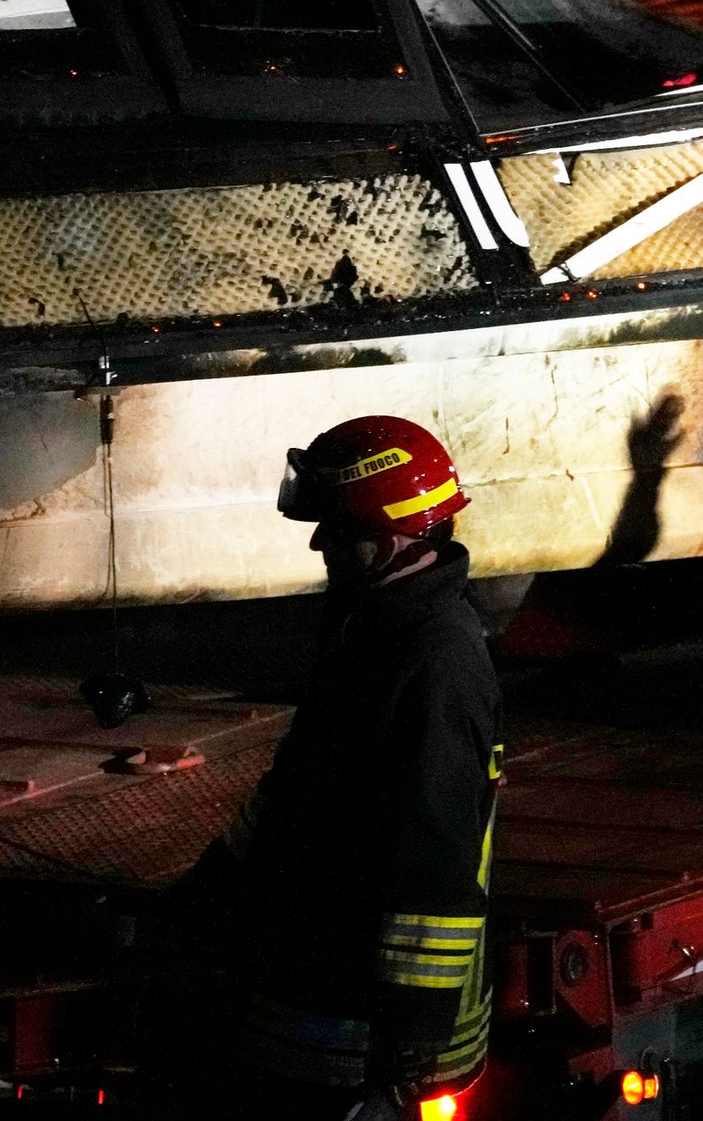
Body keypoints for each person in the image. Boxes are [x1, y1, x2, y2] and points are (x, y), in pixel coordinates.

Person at [182, 415, 502, 1121]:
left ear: (389, 536)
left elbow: (433, 869)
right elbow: (301, 786)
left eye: (336, 526)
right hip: (310, 1004)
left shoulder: (434, 663)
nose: (320, 541)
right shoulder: (373, 625)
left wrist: (402, 1068)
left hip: (356, 1042)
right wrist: (207, 895)